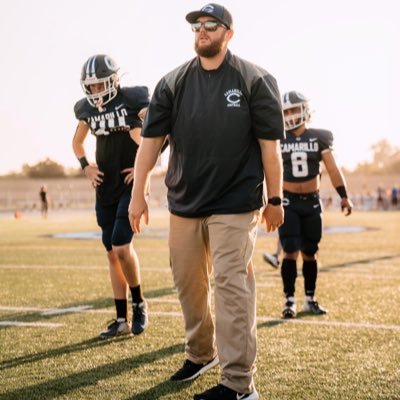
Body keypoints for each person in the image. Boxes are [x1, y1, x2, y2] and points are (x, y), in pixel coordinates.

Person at [129, 4, 285, 400]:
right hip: (185, 203)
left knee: (231, 286)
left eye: (211, 26)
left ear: (228, 33)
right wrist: (138, 195)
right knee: (187, 284)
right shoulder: (172, 82)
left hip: (236, 202)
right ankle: (201, 354)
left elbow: (271, 149)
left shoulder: (256, 80)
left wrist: (276, 198)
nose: (202, 31)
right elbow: (149, 146)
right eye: (197, 26)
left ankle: (238, 385)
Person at [72, 54, 149, 338]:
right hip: (105, 186)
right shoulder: (86, 110)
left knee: (120, 246)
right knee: (111, 254)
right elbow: (77, 142)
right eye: (90, 86)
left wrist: (143, 170)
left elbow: (155, 137)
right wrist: (86, 167)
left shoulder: (133, 99)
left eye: (100, 84)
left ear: (114, 81)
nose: (95, 91)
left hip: (129, 184)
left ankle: (140, 302)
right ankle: (121, 320)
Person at [278, 90, 353, 319]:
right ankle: (289, 301)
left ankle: (310, 298)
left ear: (305, 109)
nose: (290, 115)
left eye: (293, 109)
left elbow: (332, 168)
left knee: (310, 252)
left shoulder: (319, 136)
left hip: (311, 202)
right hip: (288, 202)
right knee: (290, 251)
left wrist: (343, 195)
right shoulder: (278, 137)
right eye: (286, 111)